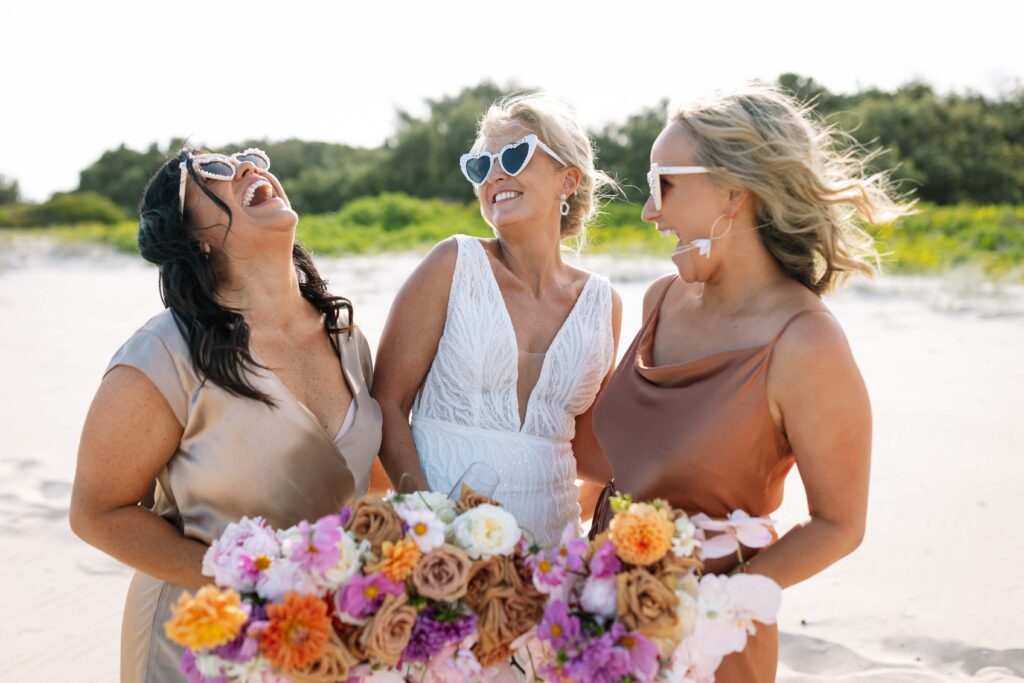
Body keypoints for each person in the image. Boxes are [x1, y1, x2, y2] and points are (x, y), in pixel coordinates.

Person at [593, 83, 911, 682]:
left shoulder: (806, 344)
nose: (648, 210)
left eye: (665, 183)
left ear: (734, 191)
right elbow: (628, 456)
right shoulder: (662, 300)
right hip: (602, 614)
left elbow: (839, 524)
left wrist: (714, 606)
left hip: (711, 644)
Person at [69, 146, 382, 682]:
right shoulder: (165, 353)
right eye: (213, 170)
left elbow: (366, 489)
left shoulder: (347, 339)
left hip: (316, 636)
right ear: (196, 237)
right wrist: (247, 582)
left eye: (250, 156)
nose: (246, 168)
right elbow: (96, 512)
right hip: (198, 639)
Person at [373, 94, 621, 548]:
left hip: (553, 551)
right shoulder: (452, 265)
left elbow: (587, 450)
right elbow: (387, 403)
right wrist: (432, 520)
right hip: (440, 544)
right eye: (479, 166)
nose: (495, 175)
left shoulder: (602, 303)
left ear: (568, 179)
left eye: (513, 155)